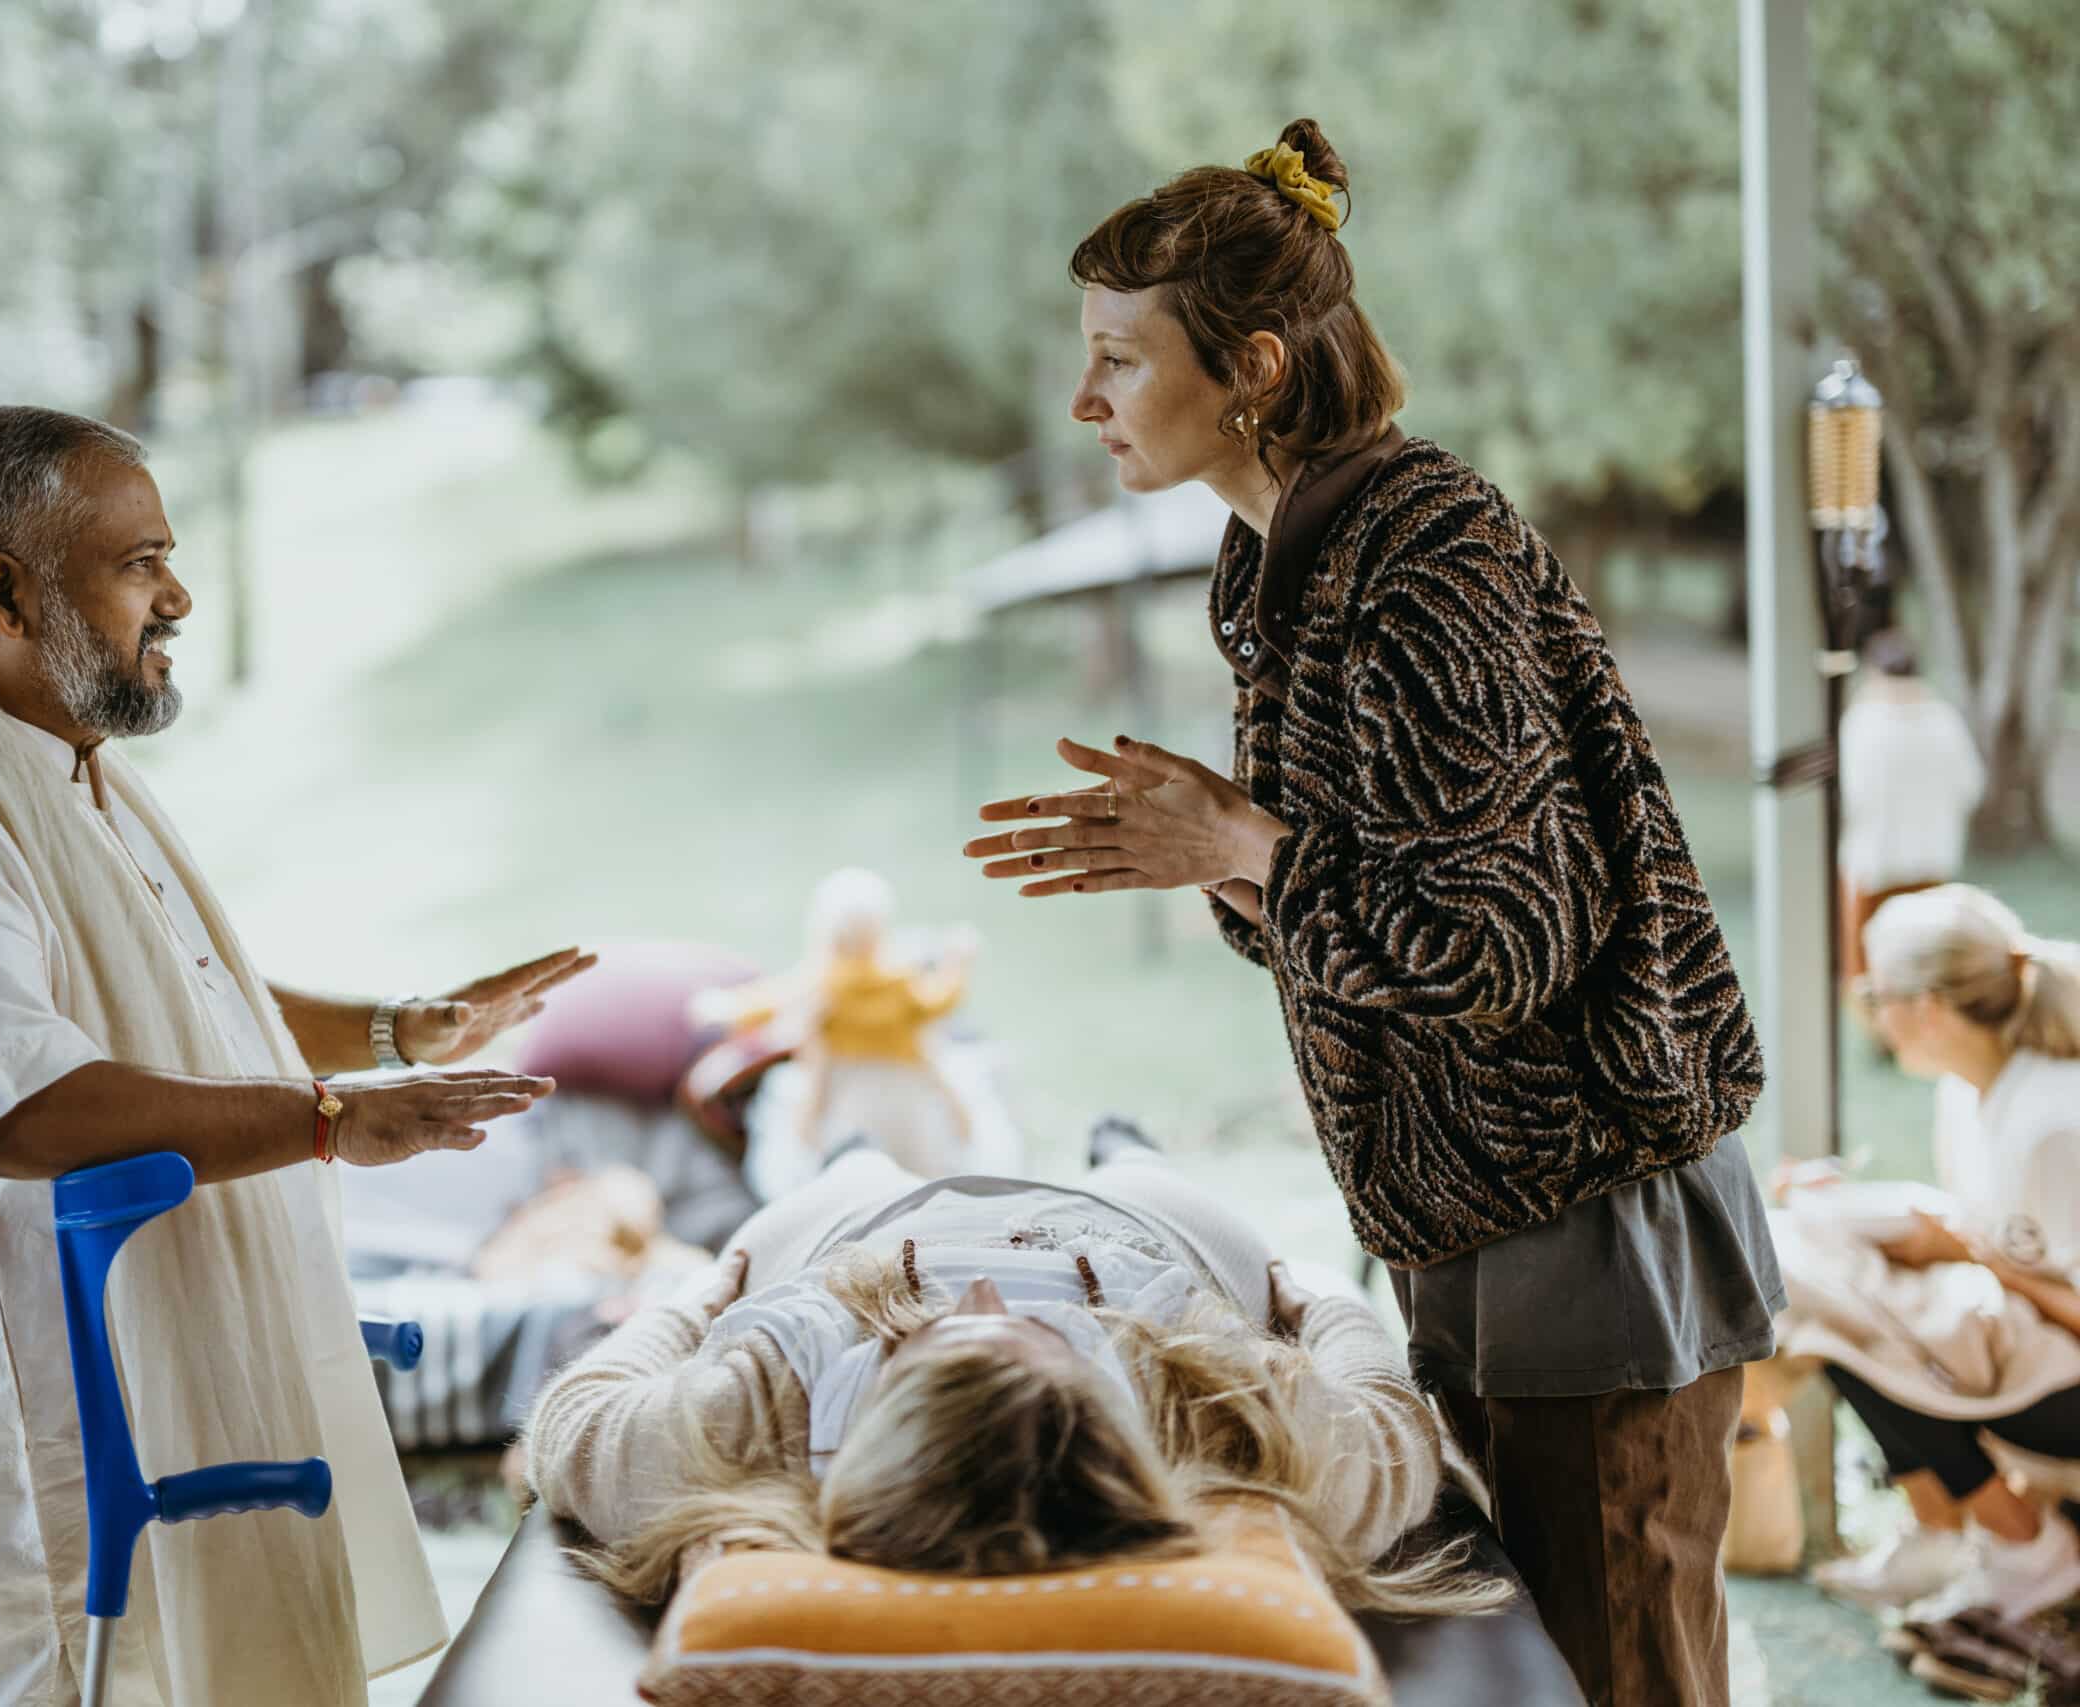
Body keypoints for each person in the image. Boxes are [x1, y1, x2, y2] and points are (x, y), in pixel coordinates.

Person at [959, 122, 1782, 1707]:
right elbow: (1373, 902)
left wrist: (1246, 841)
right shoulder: (1300, 562)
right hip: (1490, 1225)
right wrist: (1224, 850)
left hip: (1588, 1221)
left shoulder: (1422, 563)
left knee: (1619, 1675)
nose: (1086, 403)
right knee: (1535, 1669)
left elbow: (1506, 932)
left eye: (1121, 362)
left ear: (1254, 364)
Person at [0, 406, 583, 1707]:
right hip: (25, 1467)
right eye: (142, 559)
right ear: (5, 590)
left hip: (159, 1406)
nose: (180, 595)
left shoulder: (56, 767)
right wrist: (331, 1116)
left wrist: (396, 1028)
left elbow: (172, 995)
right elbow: (19, 1103)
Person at [526, 1117, 1505, 1620]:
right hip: (1132, 1239)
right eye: (1036, 1340)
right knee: (1139, 1169)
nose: (984, 1299)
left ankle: (853, 1150)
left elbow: (572, 1419)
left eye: (946, 1342)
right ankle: (1126, 1147)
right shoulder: (1211, 1411)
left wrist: (695, 1298)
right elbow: (1394, 1428)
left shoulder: (749, 1417)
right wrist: (1317, 1299)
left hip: (856, 1238)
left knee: (849, 1169)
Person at [1784, 886, 2080, 1630]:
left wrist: (1970, 1253)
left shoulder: (2054, 1123)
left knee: (1842, 1304)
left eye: (1871, 993)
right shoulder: (1972, 1090)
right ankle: (1944, 1530)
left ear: (1926, 1007)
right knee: (1814, 1254)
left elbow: (2005, 1259)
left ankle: (2025, 1546)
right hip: (2035, 1356)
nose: (1869, 1011)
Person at [698, 868, 1009, 1196]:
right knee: (922, 1161)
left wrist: (722, 1007)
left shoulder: (825, 981)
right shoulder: (899, 980)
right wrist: (957, 964)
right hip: (907, 1086)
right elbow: (941, 1001)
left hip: (846, 1087)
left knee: (845, 1159)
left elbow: (769, 1002)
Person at [1837, 629, 1985, 984]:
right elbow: (1972, 786)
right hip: (1932, 863)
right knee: (1923, 973)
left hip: (1873, 868)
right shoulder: (1943, 720)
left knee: (1868, 974)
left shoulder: (1864, 722)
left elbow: (1851, 797)